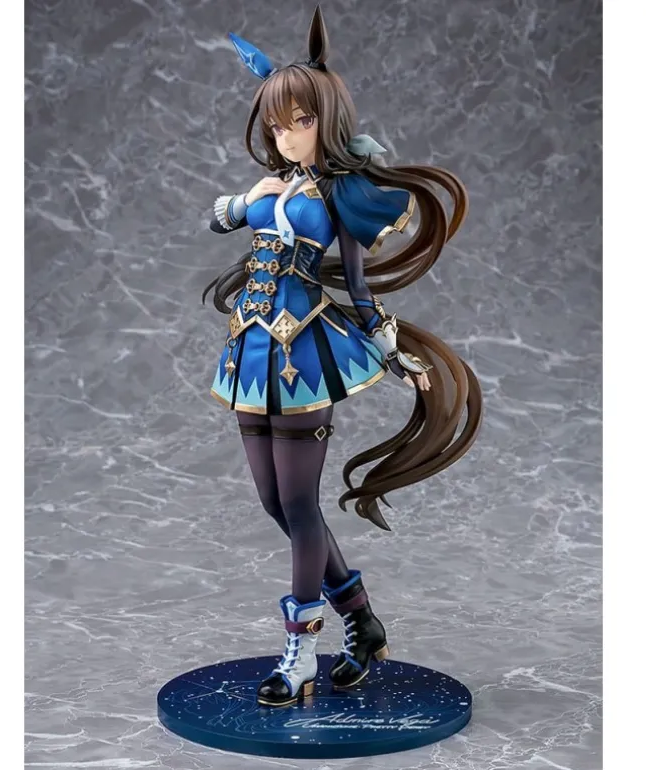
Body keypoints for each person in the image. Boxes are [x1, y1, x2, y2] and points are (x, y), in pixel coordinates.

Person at [201, 5, 482, 707]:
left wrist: (393, 353)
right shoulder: (275, 185)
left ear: (325, 119)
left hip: (303, 355)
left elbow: (357, 288)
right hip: (249, 349)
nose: (285, 135)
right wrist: (249, 197)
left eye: (298, 121)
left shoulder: (341, 194)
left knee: (299, 503)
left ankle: (300, 653)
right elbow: (216, 218)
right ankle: (363, 620)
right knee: (276, 503)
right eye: (276, 125)